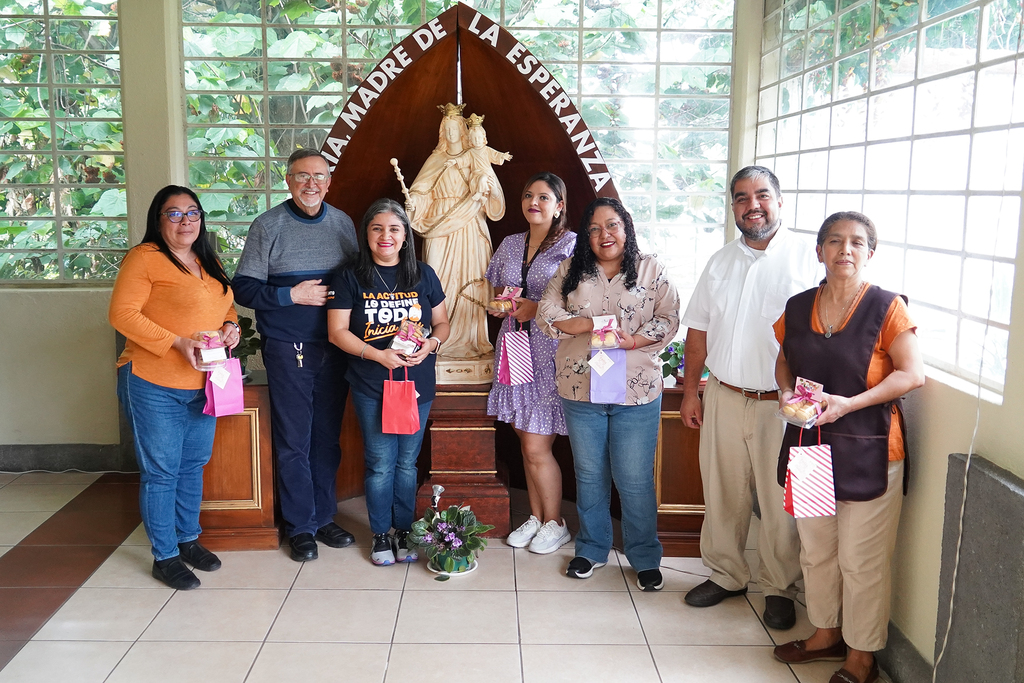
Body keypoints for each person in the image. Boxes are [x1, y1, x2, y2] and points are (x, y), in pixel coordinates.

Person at [771, 212, 924, 683]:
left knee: (862, 561)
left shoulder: (886, 307)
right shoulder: (798, 306)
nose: (845, 250)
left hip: (870, 449)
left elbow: (912, 374)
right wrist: (785, 392)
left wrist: (849, 403)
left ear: (870, 253)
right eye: (834, 241)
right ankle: (825, 633)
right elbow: (784, 360)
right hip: (810, 446)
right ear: (819, 251)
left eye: (857, 242)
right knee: (816, 550)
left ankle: (862, 656)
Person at [679, 165, 819, 629]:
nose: (751, 205)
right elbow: (697, 333)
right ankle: (726, 574)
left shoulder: (809, 260)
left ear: (779, 201)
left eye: (761, 195)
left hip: (783, 404)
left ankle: (779, 587)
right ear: (733, 207)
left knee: (780, 501)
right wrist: (691, 392)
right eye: (741, 198)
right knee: (723, 493)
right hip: (723, 394)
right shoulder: (720, 261)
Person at [537, 197, 679, 591]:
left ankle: (644, 557)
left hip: (636, 390)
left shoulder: (651, 268)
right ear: (586, 235)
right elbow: (545, 310)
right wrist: (583, 324)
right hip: (581, 388)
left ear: (626, 227)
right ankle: (592, 548)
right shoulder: (570, 269)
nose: (605, 234)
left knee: (634, 478)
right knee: (589, 474)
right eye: (595, 228)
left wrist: (634, 340)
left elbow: (669, 317)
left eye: (613, 225)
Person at [110, 185, 239, 590]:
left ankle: (187, 540)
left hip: (204, 382)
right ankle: (164, 556)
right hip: (153, 382)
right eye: (175, 213)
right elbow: (122, 314)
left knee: (192, 465)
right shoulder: (144, 257)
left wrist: (230, 326)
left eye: (193, 212)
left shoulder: (208, 258)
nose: (186, 221)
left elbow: (226, 305)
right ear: (159, 219)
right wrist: (177, 343)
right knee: (162, 472)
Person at [233, 149, 359, 562]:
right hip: (289, 349)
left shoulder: (342, 223)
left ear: (329, 182)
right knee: (294, 440)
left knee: (326, 439)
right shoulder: (268, 225)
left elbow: (357, 282)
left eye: (319, 176)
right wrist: (292, 295)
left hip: (337, 347)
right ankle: (300, 526)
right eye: (302, 176)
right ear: (287, 180)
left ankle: (323, 517)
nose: (311, 184)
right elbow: (243, 288)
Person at [327, 199, 449, 565]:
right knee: (381, 463)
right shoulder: (349, 276)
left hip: (415, 385)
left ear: (406, 236)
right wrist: (377, 355)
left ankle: (404, 531)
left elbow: (442, 323)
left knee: (407, 464)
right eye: (377, 228)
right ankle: (381, 534)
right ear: (366, 234)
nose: (386, 236)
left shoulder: (423, 274)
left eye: (394, 229)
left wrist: (431, 344)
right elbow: (336, 332)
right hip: (372, 385)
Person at [486, 172, 576, 553]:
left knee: (538, 447)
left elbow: (580, 303)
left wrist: (536, 308)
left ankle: (556, 522)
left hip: (549, 351)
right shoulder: (510, 243)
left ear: (559, 206)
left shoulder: (571, 245)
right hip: (514, 347)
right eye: (528, 195)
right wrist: (500, 305)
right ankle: (538, 517)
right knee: (526, 442)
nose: (533, 202)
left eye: (543, 197)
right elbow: (498, 290)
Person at [406, 103, 505, 362]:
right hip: (438, 225)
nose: (451, 134)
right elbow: (421, 190)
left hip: (470, 224)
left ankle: (472, 340)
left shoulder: (476, 156)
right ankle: (437, 341)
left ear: (462, 130)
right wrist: (414, 201)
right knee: (436, 277)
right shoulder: (435, 159)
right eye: (446, 129)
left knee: (469, 278)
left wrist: (487, 187)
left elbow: (493, 197)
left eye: (454, 128)